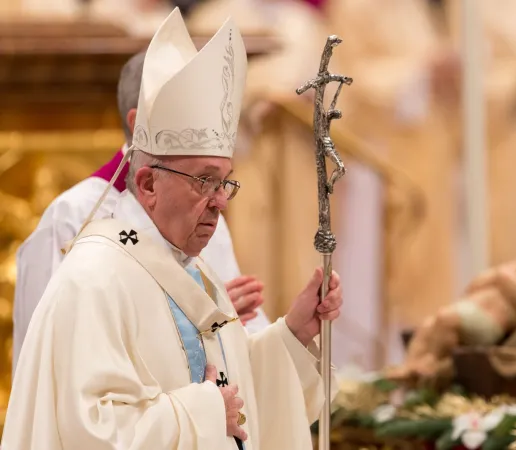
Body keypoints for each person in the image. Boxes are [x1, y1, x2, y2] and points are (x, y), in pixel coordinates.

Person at [4, 9, 342, 450]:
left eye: (225, 182)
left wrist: (294, 335)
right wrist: (204, 412)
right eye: (204, 180)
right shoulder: (94, 280)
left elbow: (235, 396)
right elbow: (91, 431)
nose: (220, 201)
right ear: (147, 184)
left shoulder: (192, 269)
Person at [12, 51, 270, 377]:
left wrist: (292, 334)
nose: (218, 198)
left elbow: (243, 337)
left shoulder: (204, 213)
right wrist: (200, 316)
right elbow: (51, 357)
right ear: (138, 125)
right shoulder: (74, 216)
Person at [388, 240, 516, 383]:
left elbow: (502, 278)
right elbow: (476, 284)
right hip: (470, 314)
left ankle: (430, 362)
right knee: (428, 326)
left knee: (445, 320)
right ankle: (412, 363)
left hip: (489, 325)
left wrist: (510, 271)